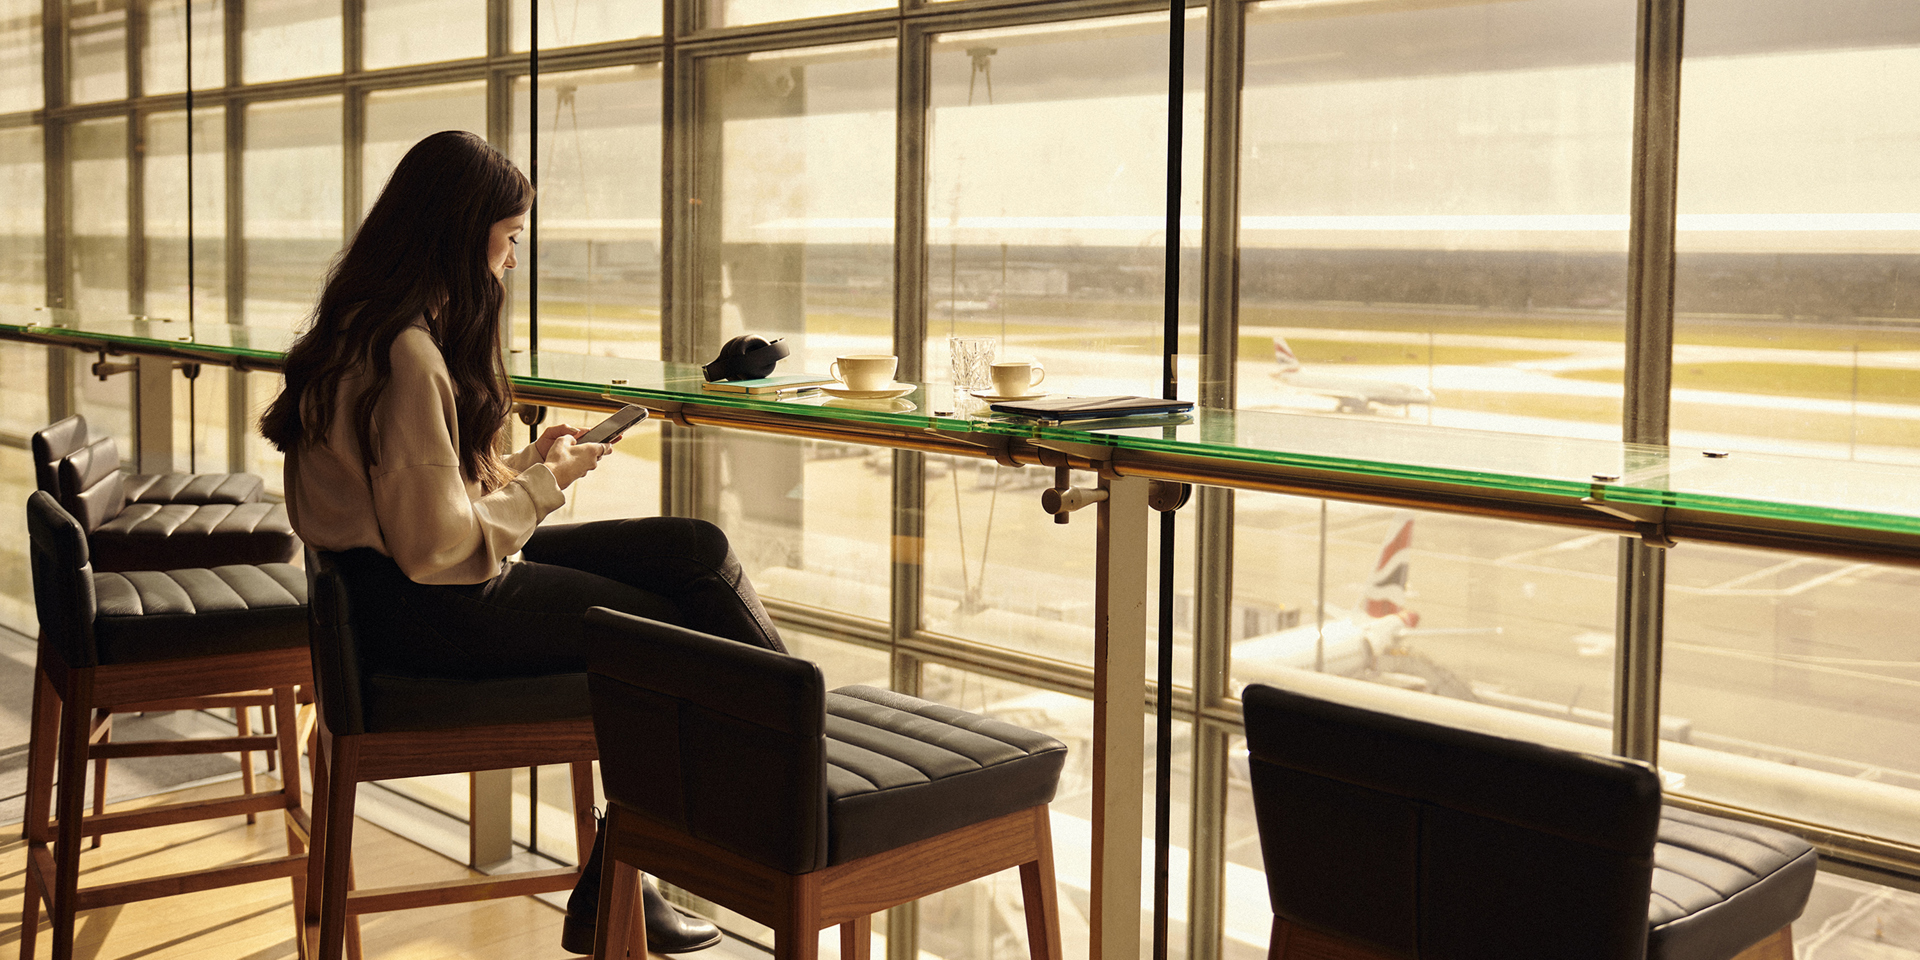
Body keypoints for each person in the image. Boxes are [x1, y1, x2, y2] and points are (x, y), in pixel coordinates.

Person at [260, 129, 779, 955]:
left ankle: (668, 842)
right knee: (663, 629)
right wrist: (549, 485)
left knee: (695, 552)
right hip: (432, 611)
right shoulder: (408, 355)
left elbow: (408, 499)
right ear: (461, 236)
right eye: (507, 241)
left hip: (383, 599)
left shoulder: (359, 330)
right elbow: (436, 549)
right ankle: (784, 788)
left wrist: (526, 465)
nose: (509, 262)